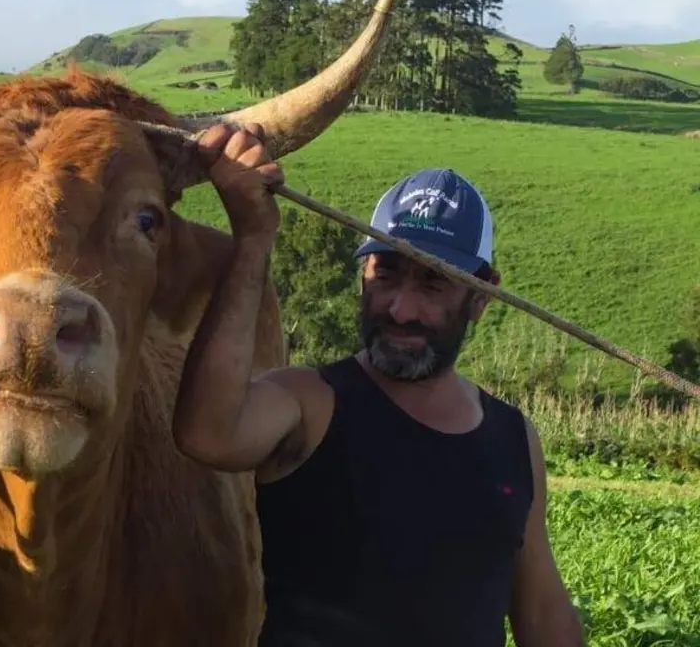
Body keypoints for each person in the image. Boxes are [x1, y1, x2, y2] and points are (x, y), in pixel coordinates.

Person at [173, 124, 586, 647]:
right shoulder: (312, 404)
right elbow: (207, 433)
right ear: (363, 273)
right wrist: (253, 239)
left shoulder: (512, 438)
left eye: (432, 283)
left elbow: (544, 612)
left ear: (482, 296)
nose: (401, 309)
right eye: (386, 274)